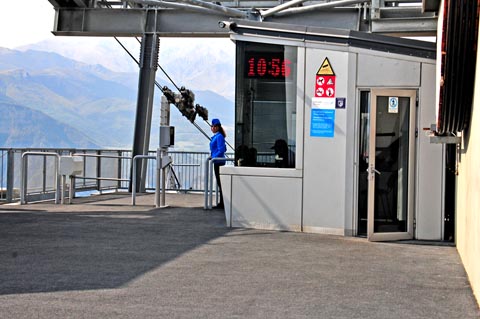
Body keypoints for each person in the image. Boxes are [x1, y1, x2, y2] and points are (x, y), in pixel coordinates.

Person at [210, 118, 227, 209]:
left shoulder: (219, 137)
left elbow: (221, 149)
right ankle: (222, 202)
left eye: (214, 126)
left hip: (218, 161)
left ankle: (222, 203)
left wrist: (214, 157)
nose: (212, 128)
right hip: (217, 161)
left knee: (221, 183)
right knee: (220, 183)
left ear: (217, 127)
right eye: (212, 126)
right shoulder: (218, 136)